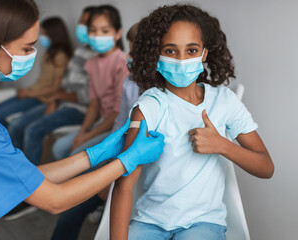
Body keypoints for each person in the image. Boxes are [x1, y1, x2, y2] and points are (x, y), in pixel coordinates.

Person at [0, 1, 165, 239]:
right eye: (27, 49)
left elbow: (26, 175)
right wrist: (127, 160)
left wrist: (96, 153)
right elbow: (54, 200)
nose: (32, 56)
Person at [110, 4, 275, 240]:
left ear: (204, 54)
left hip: (203, 223)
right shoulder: (149, 107)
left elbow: (266, 167)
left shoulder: (224, 102)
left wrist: (222, 145)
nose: (180, 60)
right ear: (155, 55)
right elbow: (125, 184)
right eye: (170, 50)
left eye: (191, 50)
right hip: (149, 222)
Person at [50, 22, 141, 240]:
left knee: (78, 209)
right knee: (69, 211)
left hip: (133, 165)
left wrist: (110, 177)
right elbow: (120, 121)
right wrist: (107, 153)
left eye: (137, 51)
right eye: (131, 50)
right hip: (121, 149)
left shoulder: (159, 93)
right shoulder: (130, 81)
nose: (131, 56)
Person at [52, 5, 129, 160]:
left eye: (105, 31)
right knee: (59, 147)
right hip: (102, 122)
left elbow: (118, 112)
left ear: (118, 33)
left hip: (119, 127)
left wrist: (88, 136)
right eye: (93, 30)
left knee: (76, 156)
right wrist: (82, 133)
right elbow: (94, 104)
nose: (98, 36)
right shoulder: (91, 63)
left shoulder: (122, 63)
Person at [22, 6, 96, 166]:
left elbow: (88, 98)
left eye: (86, 24)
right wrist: (54, 100)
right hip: (63, 104)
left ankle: (32, 183)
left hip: (78, 110)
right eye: (81, 22)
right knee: (23, 126)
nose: (81, 27)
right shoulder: (80, 53)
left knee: (32, 130)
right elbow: (65, 85)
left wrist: (56, 97)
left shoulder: (98, 59)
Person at [0, 16, 72, 149]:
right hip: (33, 94)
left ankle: (15, 155)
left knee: (16, 125)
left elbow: (55, 87)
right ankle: (10, 148)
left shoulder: (60, 56)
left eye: (45, 33)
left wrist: (30, 93)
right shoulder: (49, 53)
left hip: (41, 98)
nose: (42, 36)